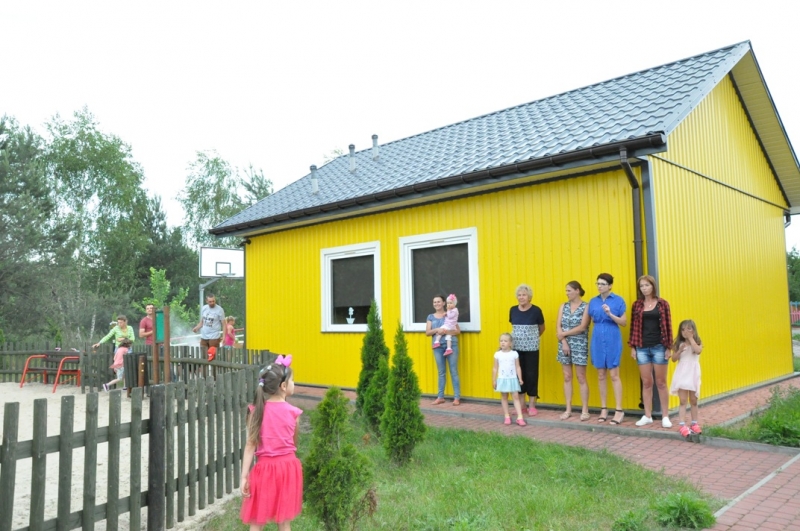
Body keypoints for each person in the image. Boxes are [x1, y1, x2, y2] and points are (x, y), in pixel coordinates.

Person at [240, 355, 302, 530]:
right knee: (284, 522)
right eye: (292, 380)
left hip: (264, 470)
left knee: (256, 520)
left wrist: (244, 476)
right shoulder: (294, 413)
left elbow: (250, 445)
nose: (294, 383)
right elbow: (293, 444)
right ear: (283, 386)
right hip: (288, 469)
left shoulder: (256, 411)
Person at [629, 275, 674, 428]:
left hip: (659, 346)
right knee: (647, 382)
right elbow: (633, 327)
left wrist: (669, 347)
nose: (644, 288)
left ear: (653, 286)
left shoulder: (662, 304)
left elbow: (668, 326)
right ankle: (647, 415)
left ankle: (665, 416)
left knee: (661, 382)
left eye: (647, 285)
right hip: (642, 347)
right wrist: (633, 347)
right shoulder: (637, 305)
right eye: (642, 286)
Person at [587, 273, 627, 425]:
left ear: (610, 286)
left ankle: (619, 410)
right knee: (601, 375)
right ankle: (604, 408)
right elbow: (590, 320)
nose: (599, 286)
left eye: (602, 284)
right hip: (597, 337)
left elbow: (623, 322)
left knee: (614, 374)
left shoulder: (618, 300)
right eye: (598, 283)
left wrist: (610, 314)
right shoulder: (593, 301)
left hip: (612, 336)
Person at [555, 281, 591, 421]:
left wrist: (563, 334)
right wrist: (563, 341)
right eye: (566, 290)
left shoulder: (586, 306)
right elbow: (558, 326)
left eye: (569, 290)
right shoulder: (563, 306)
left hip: (579, 344)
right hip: (564, 344)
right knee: (567, 376)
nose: (567, 293)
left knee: (581, 377)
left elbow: (582, 327)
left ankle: (585, 410)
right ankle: (568, 409)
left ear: (577, 291)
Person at [509, 284, 545, 416]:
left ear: (529, 297)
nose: (521, 297)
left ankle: (532, 406)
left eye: (524, 295)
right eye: (519, 295)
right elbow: (513, 327)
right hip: (516, 349)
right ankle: (522, 406)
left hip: (531, 349)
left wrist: (532, 338)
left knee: (531, 375)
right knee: (519, 376)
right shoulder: (513, 310)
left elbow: (542, 328)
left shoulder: (536, 310)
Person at [670, 320, 704, 438]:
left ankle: (694, 423)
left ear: (694, 330)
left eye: (689, 329)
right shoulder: (679, 344)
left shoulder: (697, 343)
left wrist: (691, 339)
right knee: (683, 400)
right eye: (683, 329)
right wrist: (679, 351)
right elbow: (673, 359)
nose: (685, 332)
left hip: (693, 374)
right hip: (682, 374)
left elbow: (698, 351)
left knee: (693, 400)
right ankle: (682, 424)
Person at [427, 294, 461, 406]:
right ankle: (440, 397)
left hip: (451, 345)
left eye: (438, 301)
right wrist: (437, 329)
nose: (436, 304)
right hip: (437, 347)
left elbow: (457, 331)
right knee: (441, 372)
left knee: (453, 371)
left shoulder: (450, 313)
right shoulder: (430, 317)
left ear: (443, 303)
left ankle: (457, 397)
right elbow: (428, 332)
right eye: (434, 302)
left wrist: (445, 332)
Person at [493, 333, 526, 426]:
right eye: (501, 341)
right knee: (504, 397)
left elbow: (518, 367)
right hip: (502, 379)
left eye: (505, 341)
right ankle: (506, 416)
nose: (503, 343)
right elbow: (495, 368)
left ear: (510, 343)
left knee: (516, 397)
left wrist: (520, 378)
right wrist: (494, 380)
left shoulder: (514, 354)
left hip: (512, 379)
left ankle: (520, 417)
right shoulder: (497, 354)